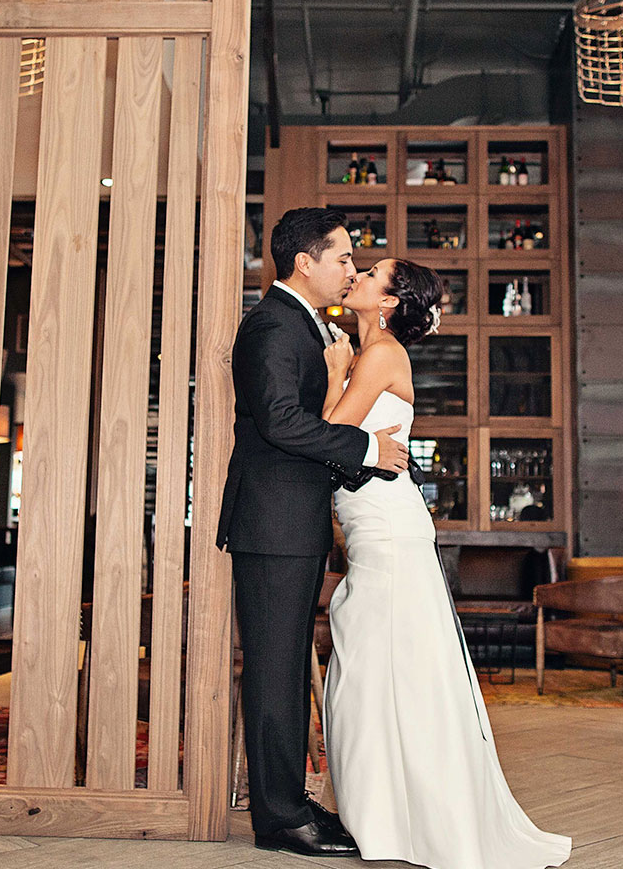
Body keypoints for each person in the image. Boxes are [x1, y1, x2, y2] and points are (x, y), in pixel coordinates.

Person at [320, 257, 572, 869]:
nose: (358, 273)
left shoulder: (377, 356)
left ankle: (408, 819)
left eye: (372, 272)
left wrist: (331, 375)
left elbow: (331, 433)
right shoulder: (365, 351)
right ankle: (381, 812)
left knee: (385, 666)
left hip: (386, 527)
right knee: (372, 665)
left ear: (388, 301)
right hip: (371, 521)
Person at [216, 207, 409, 857]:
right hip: (272, 524)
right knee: (274, 673)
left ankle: (292, 804)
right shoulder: (272, 323)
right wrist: (363, 450)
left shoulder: (302, 322)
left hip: (290, 523)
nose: (350, 268)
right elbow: (278, 422)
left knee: (286, 668)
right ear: (306, 261)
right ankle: (279, 820)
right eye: (344, 258)